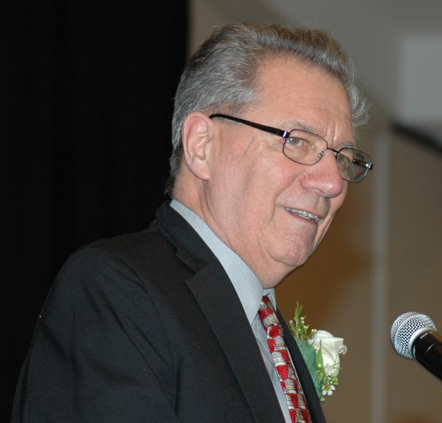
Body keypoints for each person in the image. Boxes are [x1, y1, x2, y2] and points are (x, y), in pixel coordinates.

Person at [12, 21, 371, 423]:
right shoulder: (117, 290)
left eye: (341, 157)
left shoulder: (266, 332)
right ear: (202, 146)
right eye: (299, 141)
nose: (332, 182)